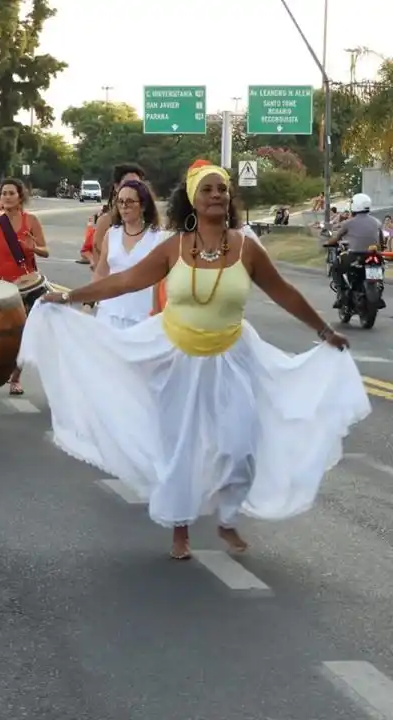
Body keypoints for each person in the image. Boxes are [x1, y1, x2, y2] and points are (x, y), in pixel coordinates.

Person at [22, 159, 370, 560]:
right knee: (181, 449)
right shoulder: (175, 247)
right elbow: (124, 281)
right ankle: (180, 528)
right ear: (192, 198)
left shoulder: (246, 247)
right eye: (207, 190)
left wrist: (324, 331)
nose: (216, 196)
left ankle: (227, 517)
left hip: (233, 355)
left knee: (239, 445)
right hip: (177, 355)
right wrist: (67, 296)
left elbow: (284, 291)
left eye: (222, 189)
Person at [0, 178, 48, 395]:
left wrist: (34, 248)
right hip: (1, 286)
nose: (7, 197)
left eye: (12, 193)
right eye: (4, 193)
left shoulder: (31, 221)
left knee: (22, 334)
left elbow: (45, 251)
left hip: (26, 286)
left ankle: (15, 378)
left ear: (20, 197)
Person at [93, 179, 167, 328]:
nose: (124, 206)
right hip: (109, 314)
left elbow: (164, 282)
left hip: (143, 317)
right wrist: (90, 301)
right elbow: (101, 272)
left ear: (143, 205)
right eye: (120, 202)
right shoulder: (111, 234)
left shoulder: (158, 237)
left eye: (130, 201)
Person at [325, 193, 384, 308]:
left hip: (355, 256)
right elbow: (381, 241)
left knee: (336, 267)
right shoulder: (377, 222)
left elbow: (336, 238)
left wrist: (327, 243)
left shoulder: (348, 223)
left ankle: (342, 294)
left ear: (355, 206)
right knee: (379, 273)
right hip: (375, 255)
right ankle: (378, 295)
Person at [91, 164, 146, 264]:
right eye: (128, 184)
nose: (133, 188)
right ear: (116, 187)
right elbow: (98, 265)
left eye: (137, 184)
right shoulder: (105, 222)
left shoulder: (150, 223)